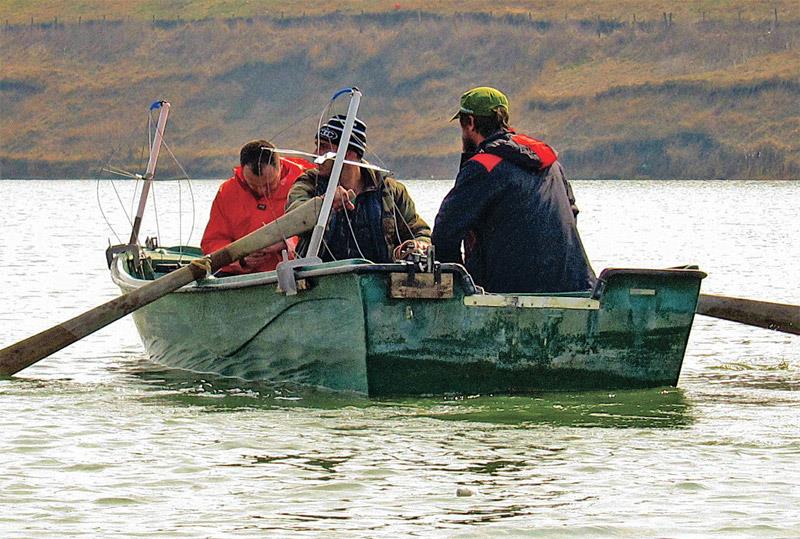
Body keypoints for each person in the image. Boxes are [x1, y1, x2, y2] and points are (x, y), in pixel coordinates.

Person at [432, 87, 595, 293]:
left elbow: (445, 231)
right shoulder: (550, 163)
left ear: (470, 122)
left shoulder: (483, 166)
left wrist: (458, 286)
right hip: (577, 289)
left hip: (511, 296)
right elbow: (571, 212)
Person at [286, 114, 430, 262]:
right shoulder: (309, 183)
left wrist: (418, 245)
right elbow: (293, 217)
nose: (316, 153)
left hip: (377, 282)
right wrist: (324, 203)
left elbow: (419, 231)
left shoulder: (390, 190)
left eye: (323, 147)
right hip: (319, 281)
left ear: (349, 152)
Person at [201, 140, 313, 275]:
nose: (261, 191)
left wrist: (285, 243)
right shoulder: (227, 192)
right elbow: (212, 242)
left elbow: (323, 233)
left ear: (280, 166)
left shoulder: (307, 184)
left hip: (296, 274)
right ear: (243, 171)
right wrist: (241, 259)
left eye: (269, 184)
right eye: (253, 185)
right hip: (243, 279)